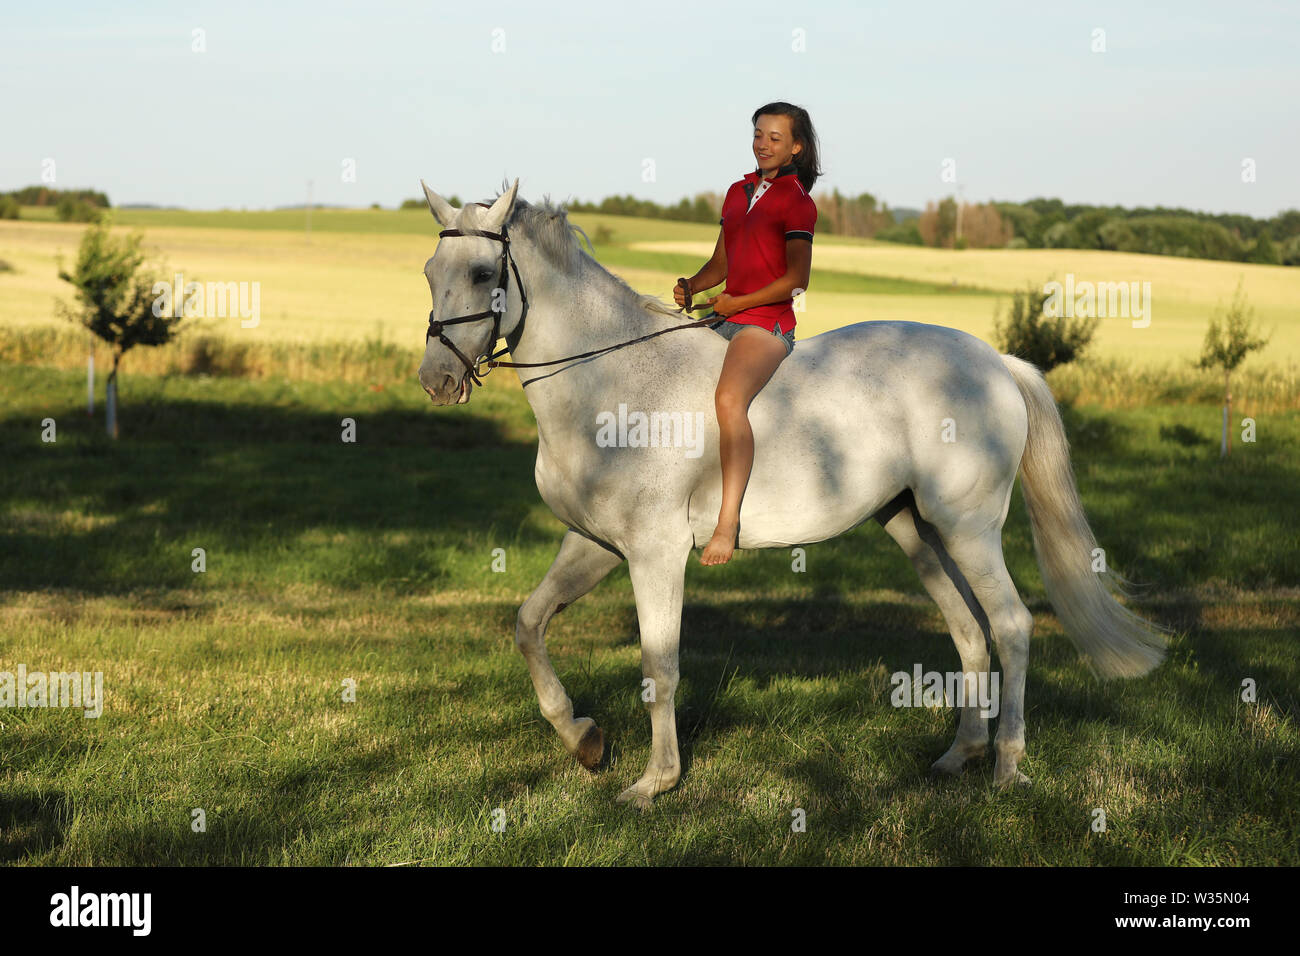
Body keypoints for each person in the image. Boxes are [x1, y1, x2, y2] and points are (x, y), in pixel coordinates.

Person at [674, 101, 822, 565]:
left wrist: (739, 303)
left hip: (767, 323)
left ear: (796, 148)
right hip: (725, 315)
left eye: (775, 138)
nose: (763, 144)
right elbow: (722, 263)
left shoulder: (798, 202)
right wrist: (693, 285)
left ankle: (726, 521)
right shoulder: (737, 192)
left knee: (728, 401)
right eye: (759, 134)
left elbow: (796, 281)